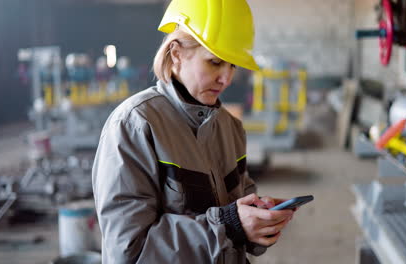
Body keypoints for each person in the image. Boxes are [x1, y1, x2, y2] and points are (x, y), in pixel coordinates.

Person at [92, 0, 296, 263]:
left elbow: (240, 207)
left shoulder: (229, 127)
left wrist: (258, 221)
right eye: (215, 62)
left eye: (232, 65)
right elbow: (130, 251)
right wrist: (228, 226)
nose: (227, 78)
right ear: (176, 54)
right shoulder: (134, 125)